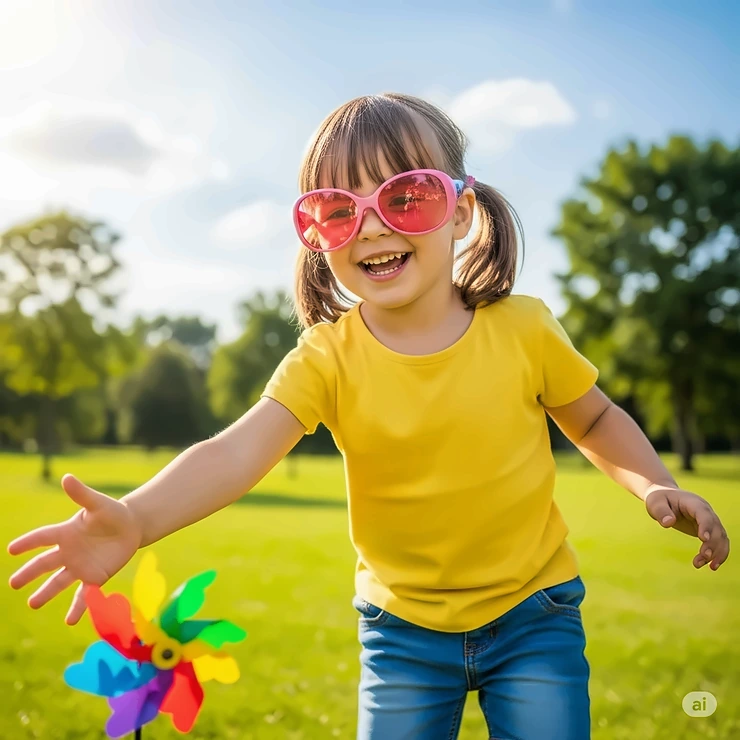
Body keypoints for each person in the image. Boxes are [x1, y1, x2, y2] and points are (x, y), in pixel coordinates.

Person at [7, 92, 730, 740]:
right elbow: (235, 453)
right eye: (338, 209)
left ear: (463, 210)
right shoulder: (326, 358)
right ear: (316, 235)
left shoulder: (526, 328)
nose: (373, 227)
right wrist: (135, 519)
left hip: (535, 614)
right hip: (402, 634)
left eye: (406, 198)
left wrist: (651, 483)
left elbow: (595, 418)